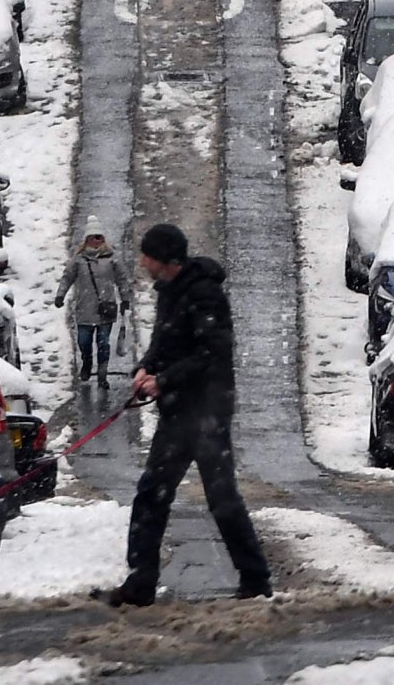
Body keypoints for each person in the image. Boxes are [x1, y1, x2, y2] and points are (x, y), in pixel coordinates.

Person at [106, 223, 272, 607]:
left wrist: (163, 380)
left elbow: (212, 353)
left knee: (220, 497)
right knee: (152, 493)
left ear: (168, 261)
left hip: (206, 411)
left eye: (148, 256)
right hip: (179, 412)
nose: (142, 262)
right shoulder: (170, 291)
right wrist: (146, 369)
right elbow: (164, 341)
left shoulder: (205, 295)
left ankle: (256, 578)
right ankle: (141, 582)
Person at [57, 220, 133, 390]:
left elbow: (122, 280)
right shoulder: (79, 260)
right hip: (84, 308)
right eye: (93, 237)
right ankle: (87, 362)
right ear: (87, 239)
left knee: (103, 343)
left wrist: (125, 298)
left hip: (106, 309)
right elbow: (67, 277)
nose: (97, 240)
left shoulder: (112, 259)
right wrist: (60, 295)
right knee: (84, 341)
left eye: (100, 237)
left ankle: (102, 374)